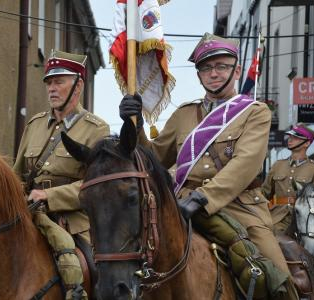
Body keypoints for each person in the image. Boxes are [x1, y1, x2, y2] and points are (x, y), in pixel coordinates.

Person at [119, 32, 298, 299]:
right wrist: (135, 125)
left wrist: (204, 197)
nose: (213, 73)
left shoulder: (255, 112)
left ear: (236, 70)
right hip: (179, 203)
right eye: (206, 67)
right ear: (199, 74)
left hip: (238, 207)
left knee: (277, 277)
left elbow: (244, 165)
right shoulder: (184, 114)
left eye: (221, 66)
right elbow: (153, 158)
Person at [14, 50, 109, 300]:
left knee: (98, 275)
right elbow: (17, 175)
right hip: (30, 213)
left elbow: (95, 185)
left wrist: (50, 195)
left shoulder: (96, 129)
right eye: (49, 83)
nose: (52, 89)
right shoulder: (34, 125)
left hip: (74, 222)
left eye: (59, 82)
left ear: (78, 84)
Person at [262, 123, 314, 234]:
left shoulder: (312, 168)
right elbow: (264, 194)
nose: (290, 140)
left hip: (304, 222)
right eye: (290, 137)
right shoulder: (278, 165)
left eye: (295, 138)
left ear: (307, 143)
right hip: (276, 219)